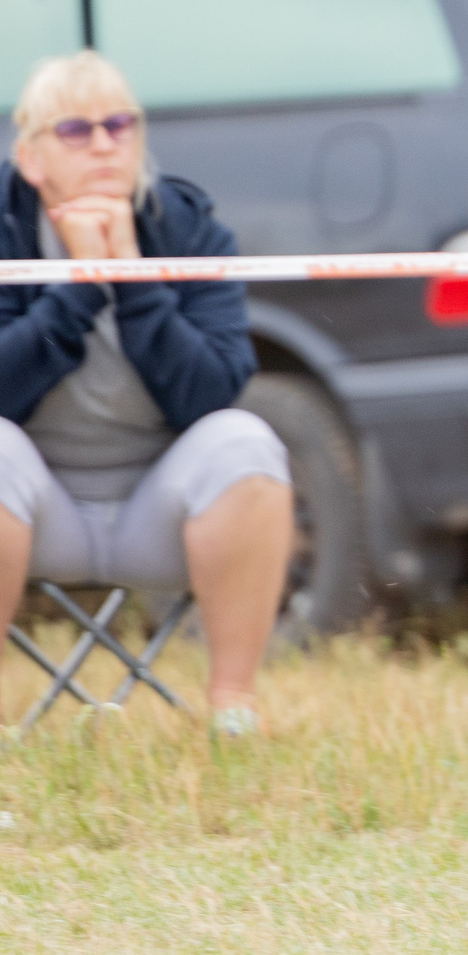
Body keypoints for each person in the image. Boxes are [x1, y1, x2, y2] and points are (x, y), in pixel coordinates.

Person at [0, 51, 292, 733]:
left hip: (157, 509)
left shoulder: (189, 229)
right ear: (32, 157)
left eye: (120, 124)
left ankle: (233, 714)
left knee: (245, 442)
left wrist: (132, 278)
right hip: (35, 509)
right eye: (76, 130)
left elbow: (213, 390)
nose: (104, 144)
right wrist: (76, 287)